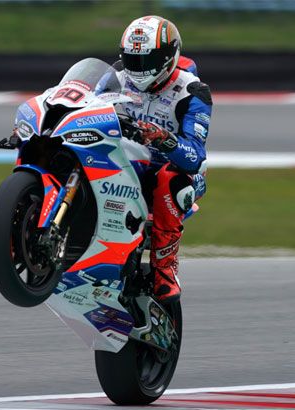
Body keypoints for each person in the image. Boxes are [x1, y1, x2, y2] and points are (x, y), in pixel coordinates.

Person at [114, 16, 212, 304]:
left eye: (147, 60)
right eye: (132, 59)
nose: (138, 69)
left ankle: (164, 267)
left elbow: (195, 155)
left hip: (171, 170)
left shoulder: (193, 92)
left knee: (173, 179)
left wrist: (162, 138)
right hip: (126, 159)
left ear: (169, 56)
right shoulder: (117, 76)